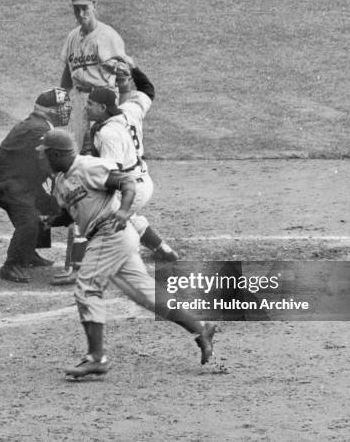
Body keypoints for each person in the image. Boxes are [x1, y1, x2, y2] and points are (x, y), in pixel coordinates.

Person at [37, 129, 217, 378]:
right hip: (113, 239)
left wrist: (123, 211)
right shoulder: (60, 181)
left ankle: (96, 358)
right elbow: (71, 212)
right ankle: (200, 329)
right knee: (146, 294)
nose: (42, 158)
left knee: (87, 288)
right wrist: (51, 221)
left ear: (56, 153)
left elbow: (127, 182)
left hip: (111, 233)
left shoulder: (89, 167)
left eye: (45, 153)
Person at [86, 64, 179, 262]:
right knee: (123, 214)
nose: (86, 107)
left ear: (103, 108)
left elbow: (112, 172)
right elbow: (147, 90)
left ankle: (122, 258)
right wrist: (132, 68)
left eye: (90, 104)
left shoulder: (108, 134)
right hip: (142, 179)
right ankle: (164, 250)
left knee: (98, 219)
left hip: (130, 185)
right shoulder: (129, 110)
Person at [0, 88, 72, 283]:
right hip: (4, 182)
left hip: (21, 179)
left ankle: (28, 253)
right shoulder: (39, 129)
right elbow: (48, 164)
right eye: (62, 106)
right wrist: (66, 184)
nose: (66, 109)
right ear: (49, 110)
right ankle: (11, 265)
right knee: (29, 218)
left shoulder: (41, 125)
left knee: (50, 206)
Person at [60, 0, 131, 152]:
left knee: (101, 148)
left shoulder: (109, 36)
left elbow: (124, 78)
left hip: (102, 101)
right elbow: (67, 74)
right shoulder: (72, 37)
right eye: (76, 9)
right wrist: (62, 102)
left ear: (94, 6)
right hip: (78, 100)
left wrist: (122, 113)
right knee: (75, 149)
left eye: (85, 7)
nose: (80, 13)